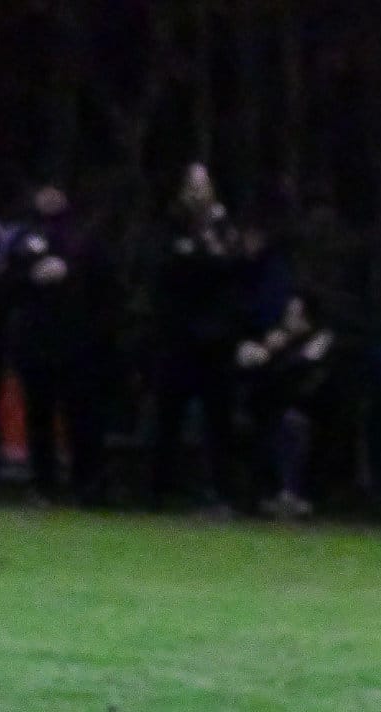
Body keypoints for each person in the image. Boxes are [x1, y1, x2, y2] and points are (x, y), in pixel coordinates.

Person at [6, 184, 113, 504]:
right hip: (35, 342)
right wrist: (31, 278)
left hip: (76, 342)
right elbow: (8, 285)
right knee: (39, 415)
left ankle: (87, 484)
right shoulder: (21, 237)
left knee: (81, 414)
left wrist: (69, 271)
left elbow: (104, 286)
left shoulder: (85, 236)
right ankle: (43, 484)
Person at [149, 164, 247, 511]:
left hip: (216, 342)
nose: (198, 192)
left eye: (203, 185)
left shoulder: (224, 227)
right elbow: (172, 270)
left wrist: (207, 247)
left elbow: (231, 267)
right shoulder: (170, 227)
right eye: (192, 185)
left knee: (219, 420)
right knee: (168, 417)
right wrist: (203, 256)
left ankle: (220, 491)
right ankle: (160, 491)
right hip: (177, 339)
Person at [235, 292, 335, 519]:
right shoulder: (280, 341)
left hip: (312, 413)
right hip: (272, 410)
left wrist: (275, 355)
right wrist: (262, 353)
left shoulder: (320, 342)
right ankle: (261, 495)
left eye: (294, 315)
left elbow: (303, 379)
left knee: (292, 426)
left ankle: (292, 494)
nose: (288, 320)